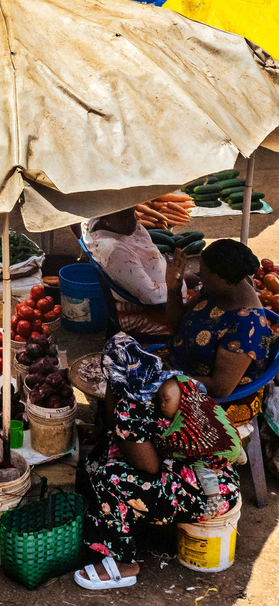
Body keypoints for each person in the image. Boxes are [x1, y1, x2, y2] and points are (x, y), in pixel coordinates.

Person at [76, 333, 242, 590]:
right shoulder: (169, 382)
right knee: (104, 454)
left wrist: (114, 396)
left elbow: (149, 467)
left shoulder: (132, 407)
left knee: (108, 478)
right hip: (210, 472)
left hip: (212, 495)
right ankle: (126, 525)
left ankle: (124, 564)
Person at [167, 238, 274, 420]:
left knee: (130, 415)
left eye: (205, 273)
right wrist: (173, 289)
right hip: (176, 369)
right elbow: (177, 325)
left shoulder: (246, 325)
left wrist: (167, 382)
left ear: (222, 279)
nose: (200, 276)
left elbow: (220, 388)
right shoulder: (215, 291)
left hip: (214, 402)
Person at [86, 208, 172, 336]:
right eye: (124, 216)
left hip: (159, 292)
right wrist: (180, 282)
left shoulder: (92, 224)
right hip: (143, 310)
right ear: (105, 217)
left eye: (132, 213)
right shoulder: (116, 252)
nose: (133, 221)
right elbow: (151, 296)